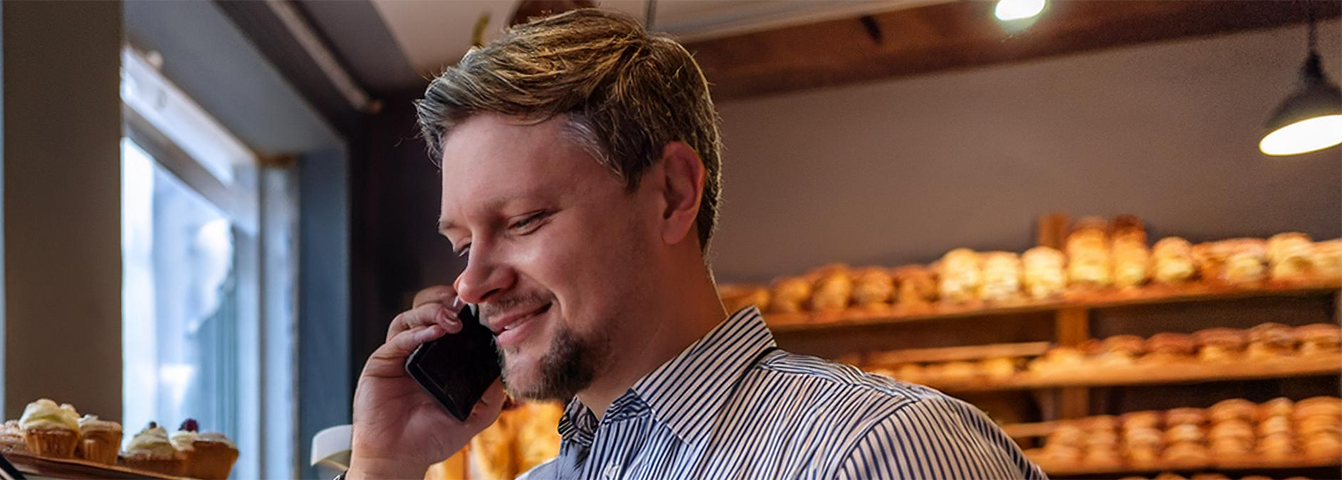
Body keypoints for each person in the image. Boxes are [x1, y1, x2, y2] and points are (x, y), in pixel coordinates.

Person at [346, 9, 1047, 480]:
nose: (470, 284)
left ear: (674, 194)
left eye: (524, 220)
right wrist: (386, 469)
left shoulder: (875, 453)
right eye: (462, 242)